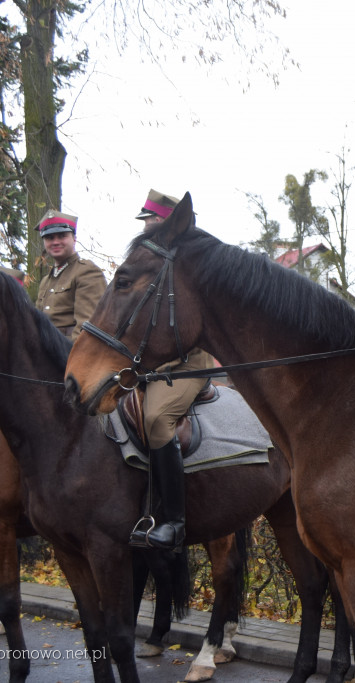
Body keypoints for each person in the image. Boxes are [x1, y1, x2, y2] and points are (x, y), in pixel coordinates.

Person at [128, 189, 215, 552]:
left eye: (151, 219)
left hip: (186, 362)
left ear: (169, 222)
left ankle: (174, 524)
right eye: (145, 220)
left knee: (157, 417)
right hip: (146, 364)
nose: (146, 225)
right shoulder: (148, 261)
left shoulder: (191, 260)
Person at [34, 210, 106, 341]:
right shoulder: (46, 280)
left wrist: (70, 357)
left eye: (62, 236)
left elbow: (88, 327)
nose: (55, 242)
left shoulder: (86, 271)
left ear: (74, 239)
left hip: (69, 354)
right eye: (50, 238)